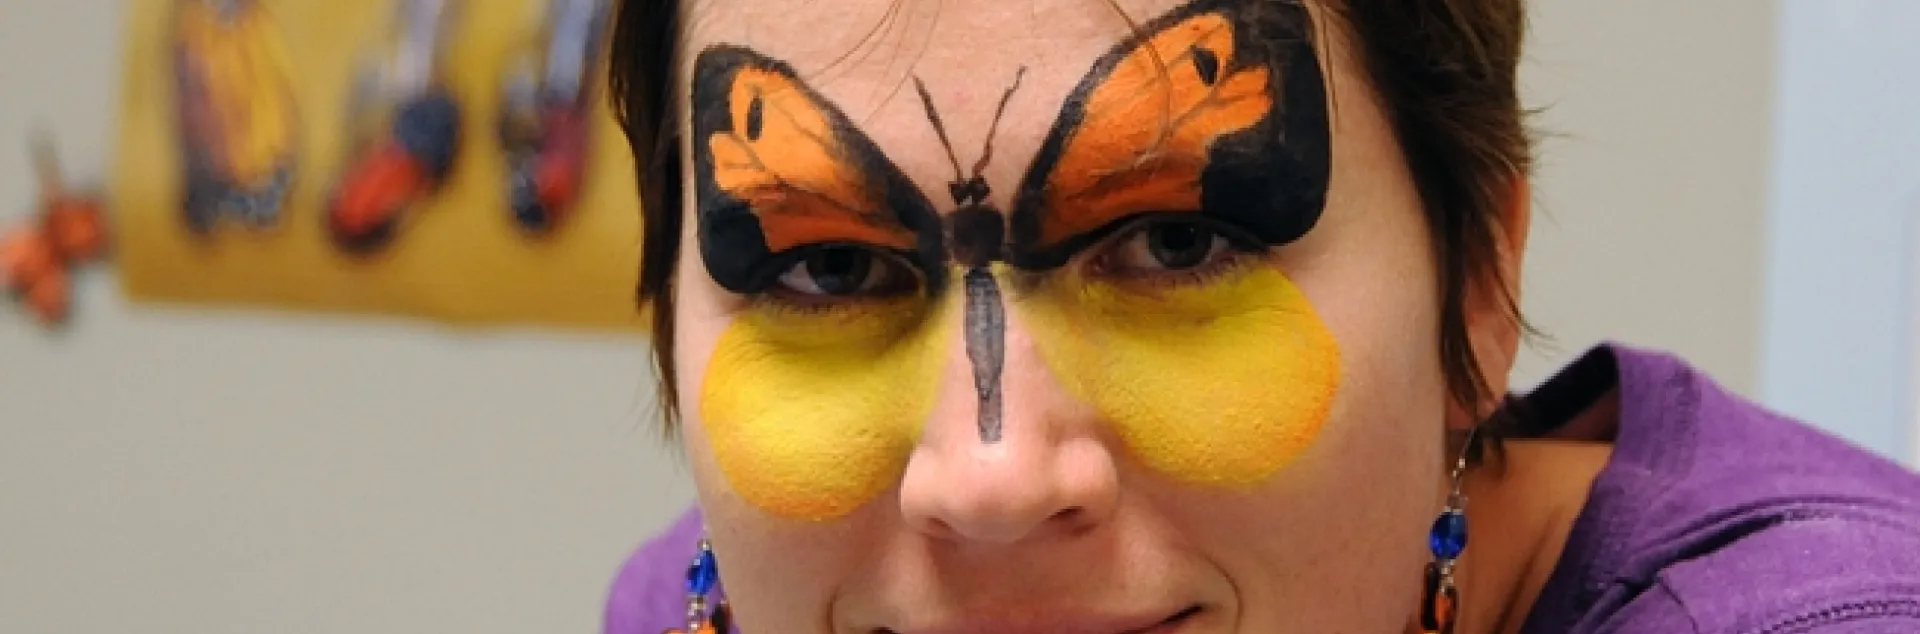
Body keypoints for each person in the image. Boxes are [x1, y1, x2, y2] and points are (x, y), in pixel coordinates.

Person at [598, 0, 1920, 632]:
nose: (986, 477)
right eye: (826, 271)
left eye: (1176, 242)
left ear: (1479, 284)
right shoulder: (703, 601)